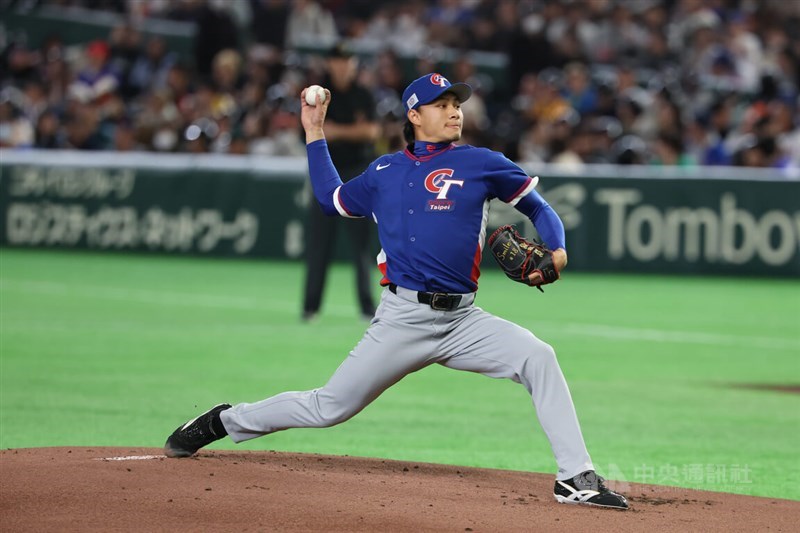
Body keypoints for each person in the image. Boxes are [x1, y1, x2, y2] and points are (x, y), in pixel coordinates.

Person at [164, 73, 629, 510]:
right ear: (414, 116)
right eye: (440, 105)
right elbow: (332, 200)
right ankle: (223, 421)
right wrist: (314, 132)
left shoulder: (482, 163)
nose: (453, 112)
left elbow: (538, 207)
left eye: (456, 104)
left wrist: (558, 248)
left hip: (464, 321)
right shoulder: (384, 171)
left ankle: (575, 476)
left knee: (538, 356)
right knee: (328, 407)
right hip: (402, 319)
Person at [302, 42, 380, 322]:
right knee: (319, 244)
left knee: (361, 246)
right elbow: (311, 132)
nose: (343, 65)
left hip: (358, 173)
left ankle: (366, 307)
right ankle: (310, 308)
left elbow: (371, 131)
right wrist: (349, 131)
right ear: (330, 63)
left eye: (348, 60)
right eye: (338, 60)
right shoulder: (318, 96)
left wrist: (334, 131)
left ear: (354, 63)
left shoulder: (363, 94)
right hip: (326, 173)